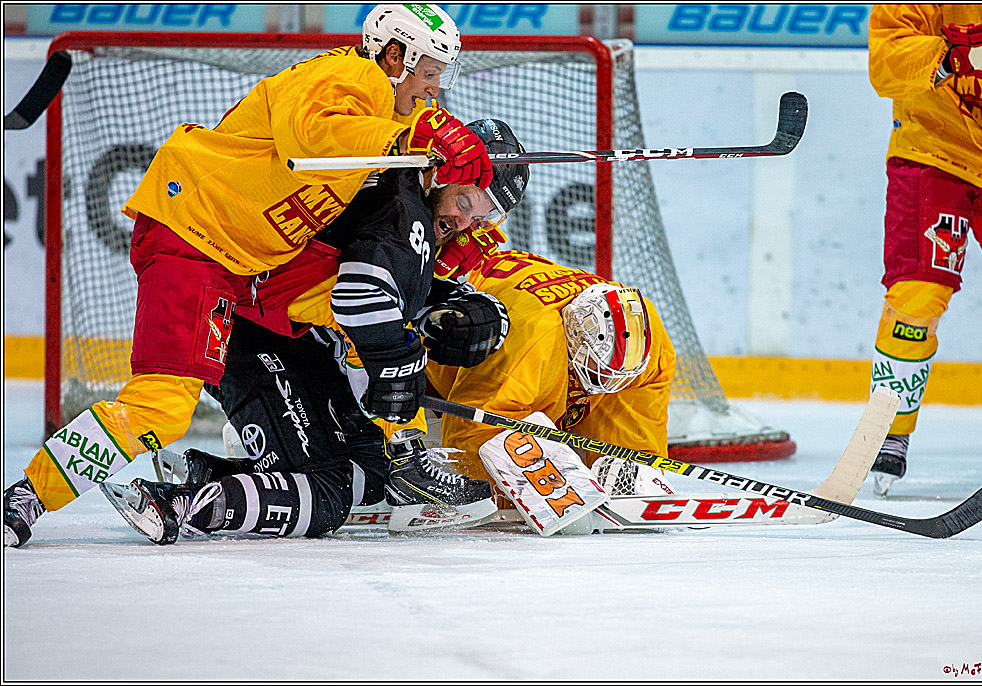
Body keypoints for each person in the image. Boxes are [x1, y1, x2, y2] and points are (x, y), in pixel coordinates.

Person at [3, 3, 494, 548]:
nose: (432, 91)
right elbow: (309, 134)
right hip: (195, 236)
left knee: (370, 311)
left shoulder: (383, 118)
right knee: (160, 409)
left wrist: (430, 279)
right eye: (429, 74)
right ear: (395, 56)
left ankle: (399, 452)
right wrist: (421, 135)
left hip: (237, 263)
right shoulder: (352, 77)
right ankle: (26, 496)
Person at [99, 120, 531, 544]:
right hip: (248, 332)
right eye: (468, 200)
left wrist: (473, 311)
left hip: (295, 339)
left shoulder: (421, 209)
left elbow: (386, 300)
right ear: (445, 171)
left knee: (371, 473)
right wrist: (407, 440)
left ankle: (210, 475)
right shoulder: (401, 207)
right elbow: (365, 308)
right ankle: (178, 504)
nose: (468, 221)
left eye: (486, 214)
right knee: (329, 493)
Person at [866, 6, 982, 496]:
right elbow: (885, 63)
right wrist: (955, 56)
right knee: (917, 297)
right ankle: (888, 429)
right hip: (933, 155)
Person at [426, 250, 678, 511]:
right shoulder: (528, 340)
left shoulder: (646, 339)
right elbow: (471, 428)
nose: (607, 382)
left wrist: (637, 466)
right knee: (458, 452)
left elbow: (638, 425)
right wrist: (514, 494)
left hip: (537, 317)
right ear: (575, 336)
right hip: (455, 340)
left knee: (604, 432)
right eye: (597, 371)